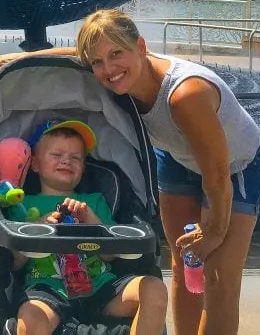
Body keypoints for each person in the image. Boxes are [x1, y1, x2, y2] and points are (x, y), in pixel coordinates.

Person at [0, 10, 260, 335]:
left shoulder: (185, 95)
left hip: (233, 168)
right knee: (184, 260)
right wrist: (26, 60)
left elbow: (216, 176)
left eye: (117, 54)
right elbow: (86, 54)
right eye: (98, 63)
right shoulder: (120, 70)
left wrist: (213, 232)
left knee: (218, 277)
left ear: (141, 47)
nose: (108, 70)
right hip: (177, 157)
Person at [10, 118, 167, 335]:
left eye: (75, 157)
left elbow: (111, 256)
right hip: (47, 289)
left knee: (154, 289)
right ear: (35, 163)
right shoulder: (22, 205)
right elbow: (14, 262)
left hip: (101, 286)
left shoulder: (95, 201)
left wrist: (92, 221)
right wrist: (39, 227)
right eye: (57, 155)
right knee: (29, 319)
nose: (66, 161)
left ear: (83, 167)